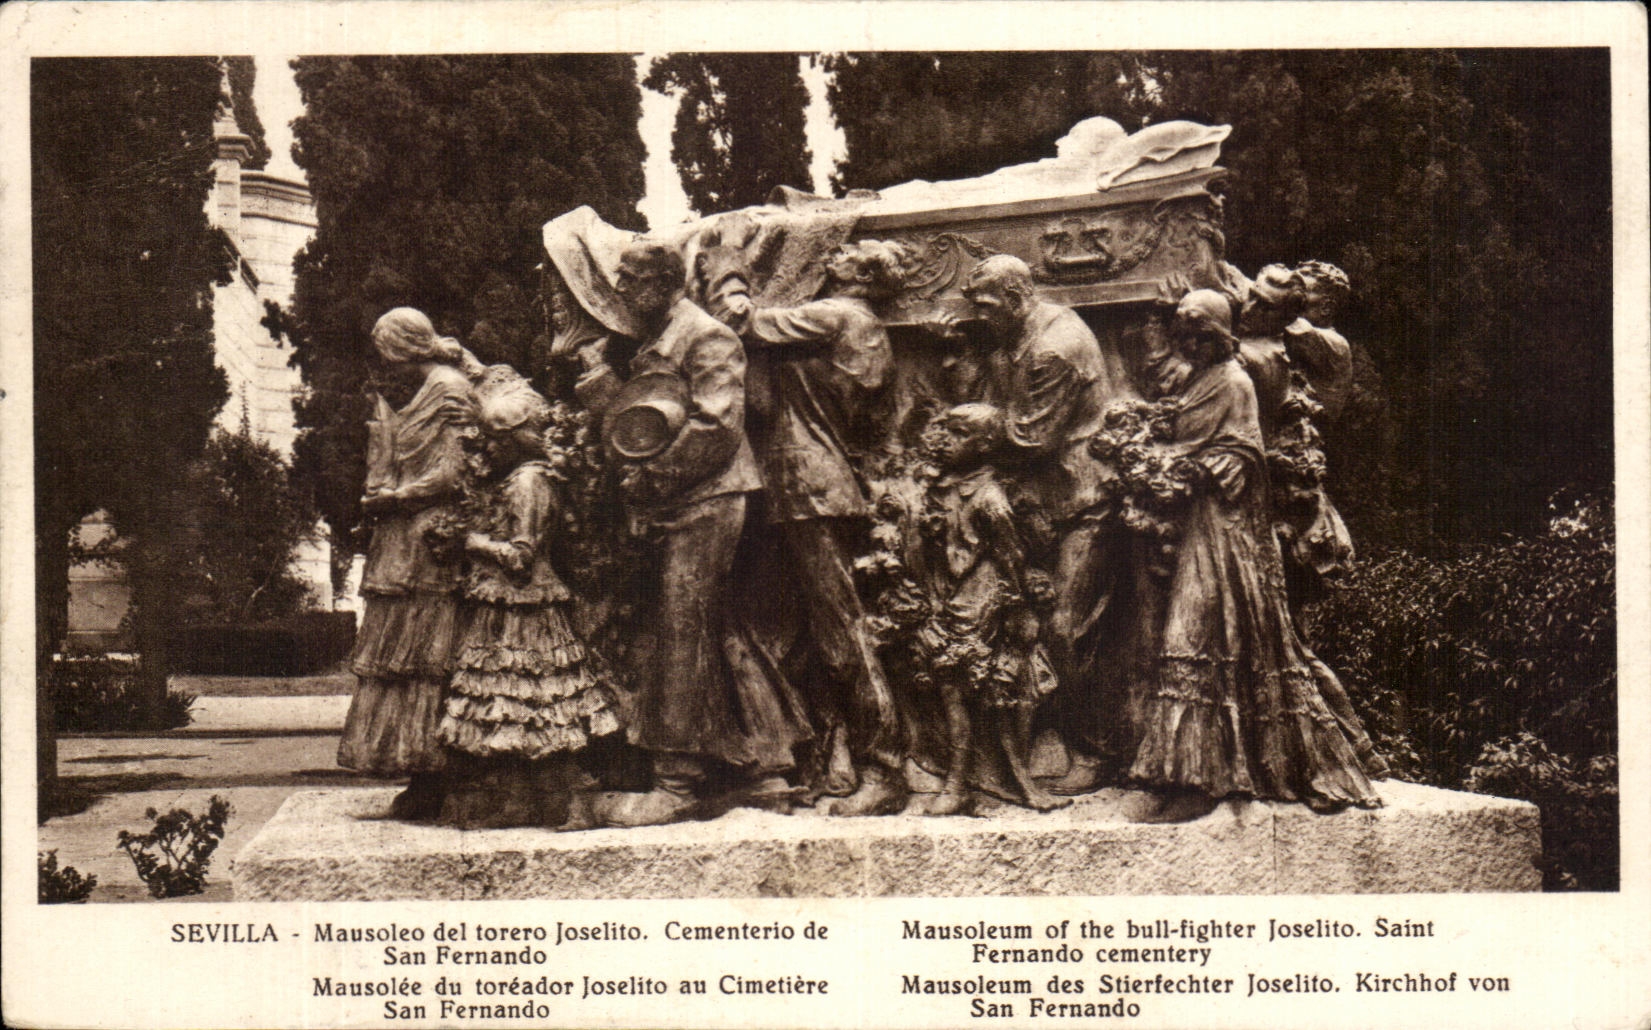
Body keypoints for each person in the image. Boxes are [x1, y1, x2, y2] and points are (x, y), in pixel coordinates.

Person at [575, 239, 810, 827]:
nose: (623, 294)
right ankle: (763, 768)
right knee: (713, 628)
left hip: (708, 497)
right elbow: (643, 413)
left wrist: (649, 480)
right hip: (687, 497)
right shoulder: (663, 338)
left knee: (681, 629)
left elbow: (714, 424)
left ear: (663, 283)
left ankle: (677, 783)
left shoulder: (705, 336)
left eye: (630, 282)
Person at [1128, 290, 1382, 818]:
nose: (1190, 342)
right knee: (1190, 640)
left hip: (1229, 535)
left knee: (1198, 635)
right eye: (1185, 334)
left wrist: (1181, 464)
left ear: (1218, 334)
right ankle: (1197, 774)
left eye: (1199, 333)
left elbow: (1241, 454)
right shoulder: (1197, 380)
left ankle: (1211, 779)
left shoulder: (1235, 382)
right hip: (1200, 527)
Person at [742, 240, 912, 816]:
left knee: (845, 635)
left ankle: (886, 768)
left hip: (810, 487)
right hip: (812, 487)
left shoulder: (837, 315)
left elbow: (741, 320)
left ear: (864, 276)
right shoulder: (863, 328)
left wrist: (728, 273)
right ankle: (831, 757)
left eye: (848, 253)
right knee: (809, 632)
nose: (833, 255)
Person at [958, 254, 1138, 795]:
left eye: (988, 307)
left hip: (1085, 500)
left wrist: (974, 424)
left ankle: (1099, 750)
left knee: (1065, 627)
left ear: (1015, 299)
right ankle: (1038, 734)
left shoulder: (1056, 347)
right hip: (1045, 501)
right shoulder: (1020, 334)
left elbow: (1030, 436)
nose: (983, 317)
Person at [436, 370, 622, 830]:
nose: (490, 449)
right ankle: (519, 791)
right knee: (513, 703)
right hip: (509, 606)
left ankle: (547, 794)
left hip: (526, 606)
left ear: (518, 438)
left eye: (497, 439)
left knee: (529, 698)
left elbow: (521, 556)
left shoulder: (529, 483)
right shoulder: (525, 477)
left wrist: (470, 541)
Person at [341, 307, 481, 819]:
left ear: (404, 349)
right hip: (398, 539)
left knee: (432, 658)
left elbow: (457, 470)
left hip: (432, 537)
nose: (382, 368)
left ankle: (445, 770)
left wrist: (398, 498)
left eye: (386, 356)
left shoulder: (449, 389)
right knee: (400, 658)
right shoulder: (403, 396)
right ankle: (418, 768)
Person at [902, 404, 1066, 814]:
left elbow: (1011, 558)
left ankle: (1016, 781)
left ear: (985, 445)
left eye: (959, 434)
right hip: (955, 601)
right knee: (951, 688)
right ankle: (958, 781)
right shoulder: (949, 488)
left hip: (985, 604)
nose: (948, 441)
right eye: (949, 432)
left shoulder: (990, 498)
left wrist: (1015, 612)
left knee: (997, 692)